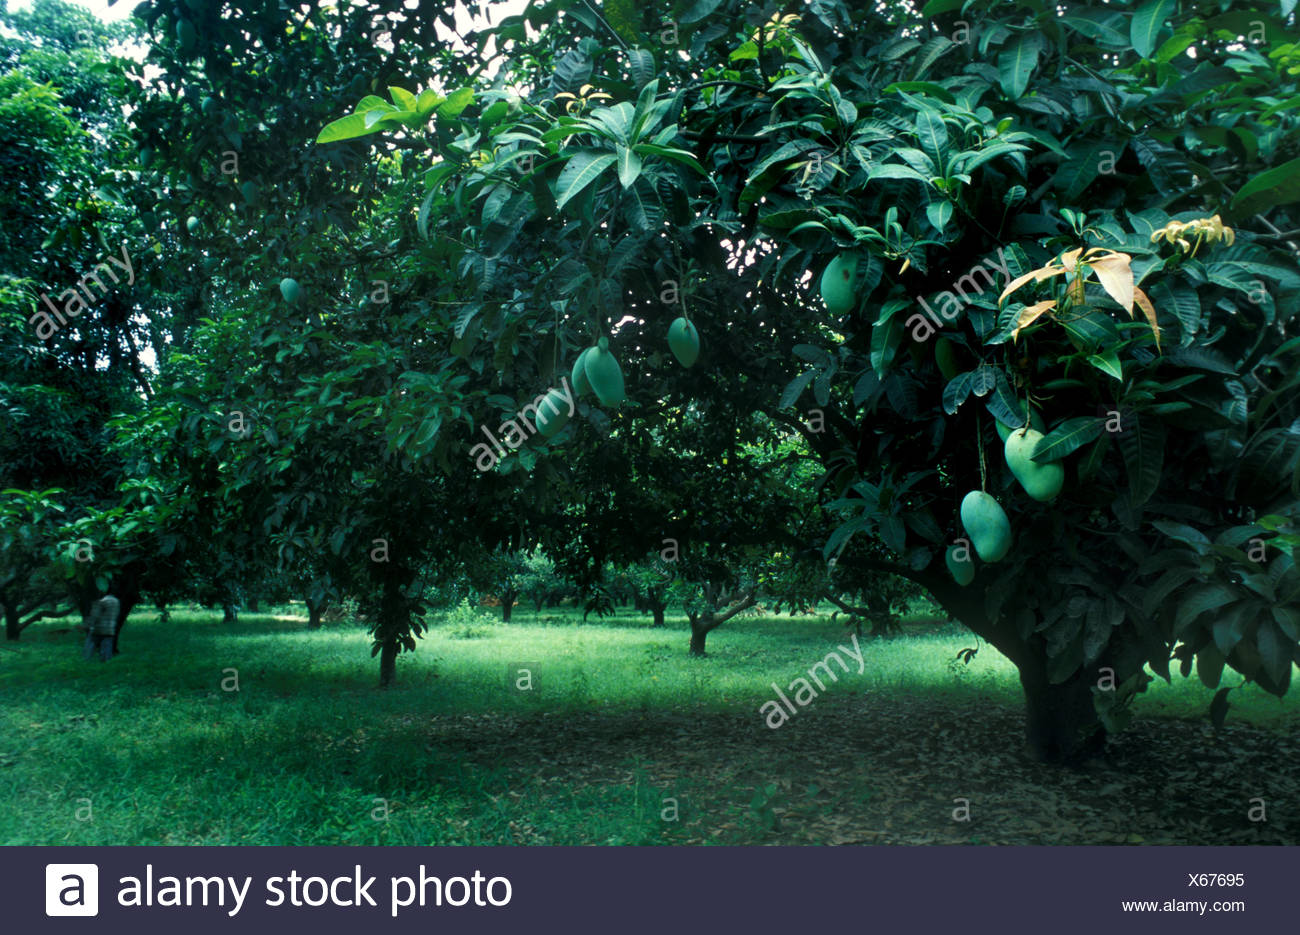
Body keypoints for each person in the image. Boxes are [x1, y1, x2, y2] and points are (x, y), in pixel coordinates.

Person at [82, 594, 119, 662]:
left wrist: (86, 625)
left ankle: (86, 660)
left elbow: (95, 616)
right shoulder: (116, 602)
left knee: (90, 645)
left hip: (98, 629)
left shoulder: (101, 602)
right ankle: (106, 662)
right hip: (110, 629)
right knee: (107, 647)